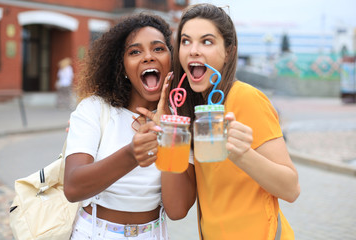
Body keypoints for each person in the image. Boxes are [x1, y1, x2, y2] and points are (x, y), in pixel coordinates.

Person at [169, 3, 300, 239]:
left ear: (229, 52)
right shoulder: (191, 109)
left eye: (206, 41)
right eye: (186, 41)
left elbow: (291, 189)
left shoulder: (245, 98)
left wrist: (242, 155)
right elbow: (178, 208)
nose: (193, 50)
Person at [63, 13, 196, 240]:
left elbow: (177, 209)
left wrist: (168, 132)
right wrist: (132, 154)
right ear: (122, 67)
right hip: (94, 232)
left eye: (158, 49)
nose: (147, 57)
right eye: (135, 52)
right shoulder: (95, 109)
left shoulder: (180, 120)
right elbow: (73, 187)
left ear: (171, 61)